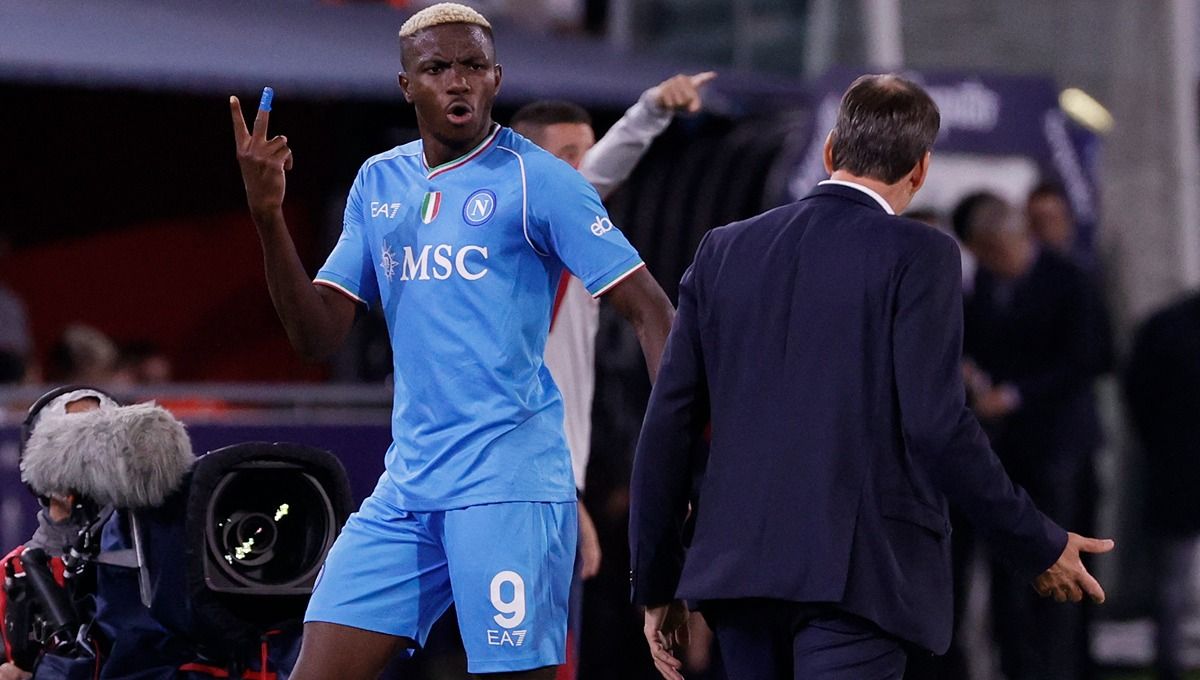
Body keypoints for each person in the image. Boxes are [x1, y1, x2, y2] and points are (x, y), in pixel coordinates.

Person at [228, 4, 674, 679]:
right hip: (408, 488)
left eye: (471, 67)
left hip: (507, 486)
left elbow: (652, 311)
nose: (457, 82)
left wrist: (669, 459)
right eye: (437, 68)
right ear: (408, 85)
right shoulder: (379, 182)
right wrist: (268, 218)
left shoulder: (541, 181)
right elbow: (317, 335)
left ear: (495, 79)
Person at [628, 74, 1113, 680]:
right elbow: (937, 427)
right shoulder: (921, 255)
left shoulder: (724, 249)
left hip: (739, 576)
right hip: (857, 579)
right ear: (920, 170)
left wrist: (654, 581)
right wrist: (1036, 541)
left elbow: (668, 424)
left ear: (831, 151)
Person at [509, 71, 714, 679]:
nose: (585, 173)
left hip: (555, 474)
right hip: (520, 472)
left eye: (586, 154)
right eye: (567, 157)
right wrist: (650, 108)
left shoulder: (575, 232)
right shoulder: (518, 225)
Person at [954, 191, 1111, 680]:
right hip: (1003, 454)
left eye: (992, 250)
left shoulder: (1070, 280)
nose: (990, 261)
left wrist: (1017, 395)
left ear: (1009, 238)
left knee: (1063, 570)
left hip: (1059, 451)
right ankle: (1017, 666)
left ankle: (1062, 668)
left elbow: (1089, 358)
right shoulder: (983, 285)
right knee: (1008, 571)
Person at [1123, 292, 1200, 680]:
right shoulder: (1169, 327)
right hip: (1177, 468)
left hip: (1173, 467)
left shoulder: (1165, 325)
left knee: (1170, 580)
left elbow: (1137, 390)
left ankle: (1169, 664)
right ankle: (1169, 663)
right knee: (1171, 580)